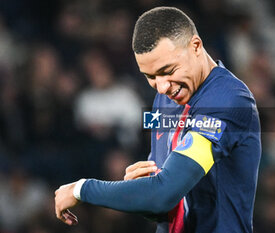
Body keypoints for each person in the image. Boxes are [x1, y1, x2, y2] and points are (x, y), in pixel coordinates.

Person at [55, 6, 261, 233]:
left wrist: (82, 189)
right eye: (150, 76)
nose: (162, 86)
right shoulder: (161, 101)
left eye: (168, 70)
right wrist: (137, 191)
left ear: (195, 46)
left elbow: (162, 195)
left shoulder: (229, 101)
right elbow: (163, 206)